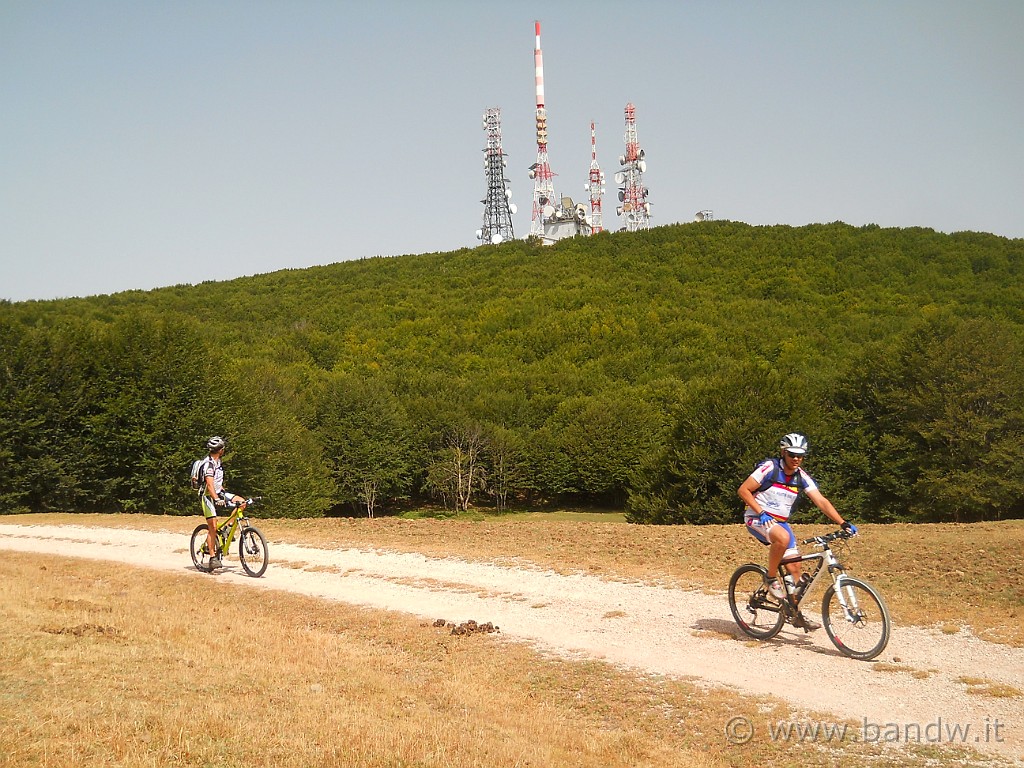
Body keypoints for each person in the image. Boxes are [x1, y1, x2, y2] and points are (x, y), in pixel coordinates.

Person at [737, 433, 856, 631]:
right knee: (782, 538)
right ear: (784, 452)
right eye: (792, 454)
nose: (796, 459)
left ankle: (795, 613)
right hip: (757, 517)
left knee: (795, 570)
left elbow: (821, 501)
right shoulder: (770, 468)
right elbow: (743, 490)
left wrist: (843, 522)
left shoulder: (801, 476)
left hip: (780, 523)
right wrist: (761, 512)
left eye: (800, 455)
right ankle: (770, 578)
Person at [199, 435, 247, 572]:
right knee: (212, 526)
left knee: (242, 503)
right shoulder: (208, 464)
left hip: (219, 493)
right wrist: (216, 499)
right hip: (208, 497)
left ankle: (227, 528)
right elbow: (209, 484)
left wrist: (222, 493)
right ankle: (213, 558)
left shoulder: (218, 462)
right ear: (220, 450)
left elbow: (216, 481)